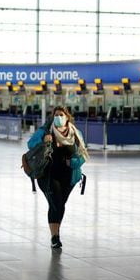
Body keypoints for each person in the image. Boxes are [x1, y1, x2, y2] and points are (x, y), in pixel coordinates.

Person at [27, 106, 88, 249]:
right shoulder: (45, 131)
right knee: (56, 203)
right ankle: (55, 237)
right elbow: (30, 144)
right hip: (48, 174)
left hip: (69, 176)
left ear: (67, 117)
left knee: (60, 204)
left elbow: (83, 154)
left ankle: (56, 231)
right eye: (56, 115)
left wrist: (73, 162)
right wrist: (43, 141)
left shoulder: (75, 133)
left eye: (61, 115)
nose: (58, 117)